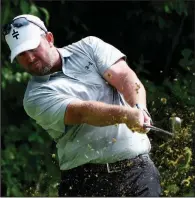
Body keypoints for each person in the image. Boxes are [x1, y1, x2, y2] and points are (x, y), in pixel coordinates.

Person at [3, 14, 161, 197]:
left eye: (32, 48)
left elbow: (125, 77)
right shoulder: (33, 98)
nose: (29, 58)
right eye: (21, 54)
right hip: (85, 183)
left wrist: (139, 108)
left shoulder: (90, 47)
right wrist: (126, 115)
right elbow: (82, 112)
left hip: (138, 173)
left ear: (49, 39)